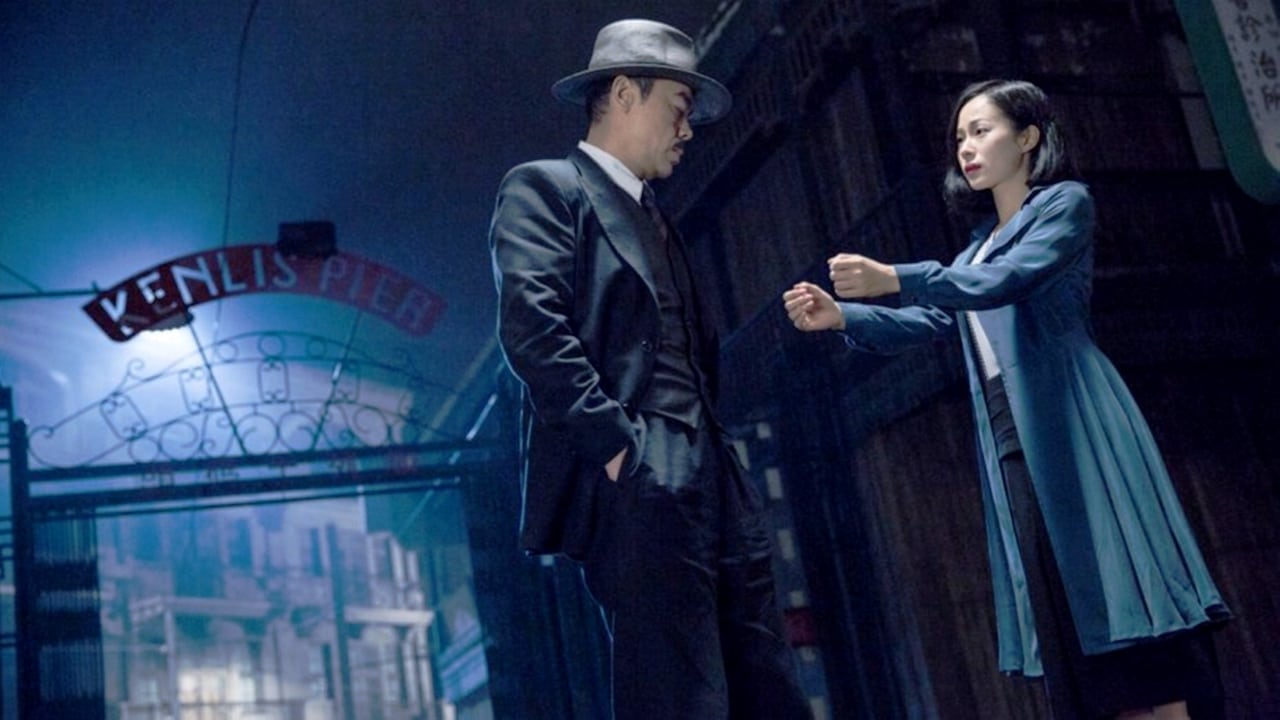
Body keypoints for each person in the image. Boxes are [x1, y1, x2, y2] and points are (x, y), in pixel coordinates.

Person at [783, 79, 1230, 720]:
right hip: (1010, 438)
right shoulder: (974, 250)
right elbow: (937, 319)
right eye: (959, 137)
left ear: (1027, 137)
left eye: (981, 130)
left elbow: (1005, 281)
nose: (965, 147)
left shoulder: (1064, 205)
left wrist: (896, 277)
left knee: (1122, 599)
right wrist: (845, 317)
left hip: (1074, 422)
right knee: (1074, 622)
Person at [489, 19, 810, 719]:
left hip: (710, 460)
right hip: (640, 457)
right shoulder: (546, 188)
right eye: (679, 107)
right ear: (625, 93)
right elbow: (533, 328)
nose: (687, 130)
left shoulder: (652, 214)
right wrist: (616, 449)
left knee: (763, 670)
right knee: (677, 685)